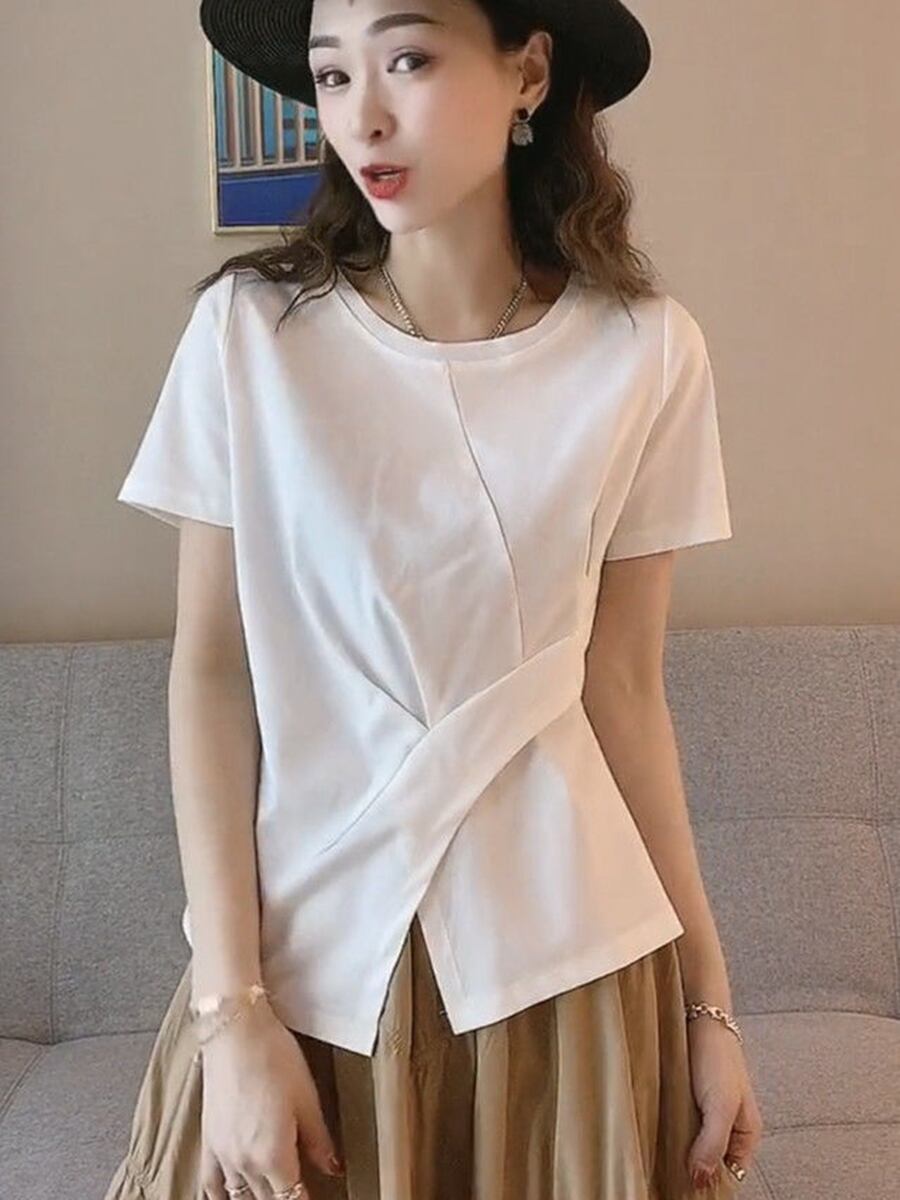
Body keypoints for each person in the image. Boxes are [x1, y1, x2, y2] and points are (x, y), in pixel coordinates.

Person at [104, 0, 765, 1197]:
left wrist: (707, 1006)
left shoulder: (646, 352)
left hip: (569, 967)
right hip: (304, 964)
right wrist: (231, 1010)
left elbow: (624, 693)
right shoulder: (249, 337)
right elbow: (212, 672)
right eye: (331, 75)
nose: (362, 116)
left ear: (529, 74)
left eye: (406, 59)